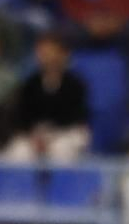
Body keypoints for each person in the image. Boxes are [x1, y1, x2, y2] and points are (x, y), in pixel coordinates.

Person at [9, 31, 91, 162]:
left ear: (63, 54)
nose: (46, 56)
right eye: (42, 52)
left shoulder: (75, 84)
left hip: (65, 133)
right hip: (35, 134)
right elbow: (23, 115)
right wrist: (34, 135)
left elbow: (76, 116)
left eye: (50, 51)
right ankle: (22, 183)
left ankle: (64, 182)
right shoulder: (31, 83)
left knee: (61, 149)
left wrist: (50, 136)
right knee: (19, 151)